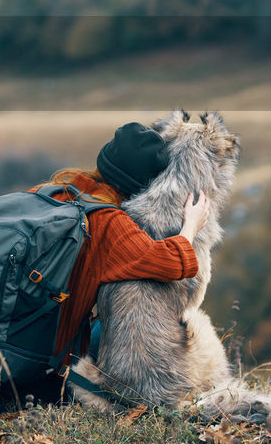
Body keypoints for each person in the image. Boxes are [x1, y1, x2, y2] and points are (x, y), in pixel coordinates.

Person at [28, 121, 212, 403]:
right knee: (108, 327)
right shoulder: (109, 223)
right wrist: (191, 225)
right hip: (32, 378)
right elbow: (171, 263)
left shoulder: (48, 192)